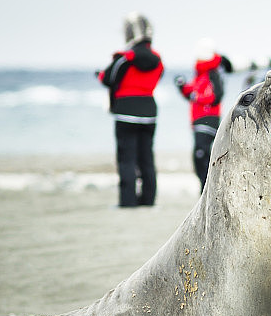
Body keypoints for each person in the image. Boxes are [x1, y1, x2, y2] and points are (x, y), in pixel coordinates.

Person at [97, 12, 163, 207]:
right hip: (149, 112)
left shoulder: (125, 58)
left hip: (126, 112)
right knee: (147, 159)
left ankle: (128, 202)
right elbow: (156, 78)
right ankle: (148, 201)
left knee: (127, 159)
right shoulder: (158, 60)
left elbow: (107, 78)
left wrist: (100, 74)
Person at [175, 37, 229, 193]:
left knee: (201, 153)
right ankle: (205, 188)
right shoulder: (200, 73)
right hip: (198, 119)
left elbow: (217, 95)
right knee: (200, 154)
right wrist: (181, 86)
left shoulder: (213, 71)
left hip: (209, 118)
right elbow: (191, 92)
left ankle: (208, 188)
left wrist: (197, 98)